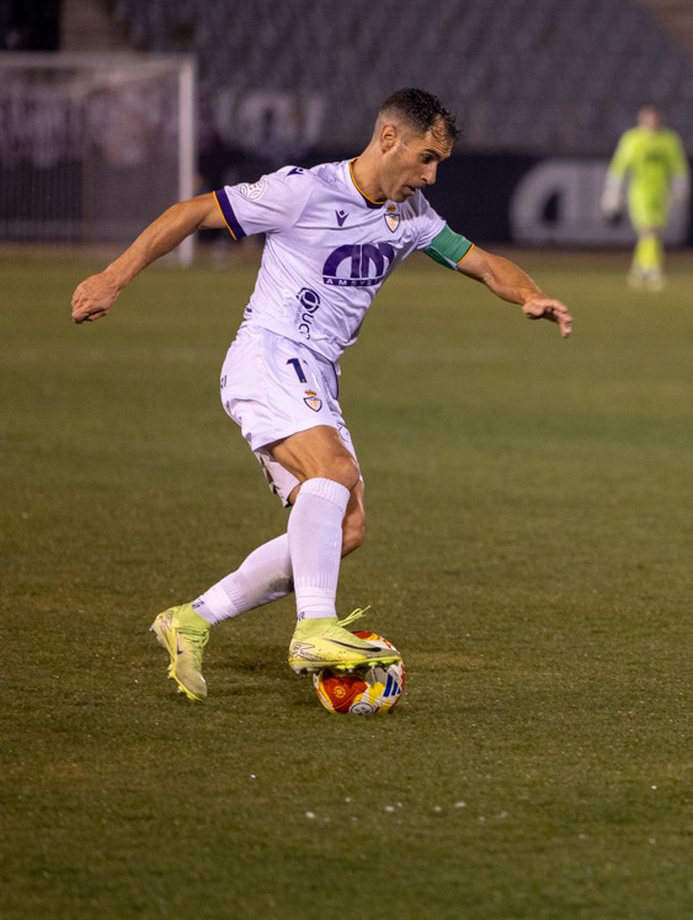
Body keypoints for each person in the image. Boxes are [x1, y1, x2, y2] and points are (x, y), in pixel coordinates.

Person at [70, 88, 573, 701]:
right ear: (388, 139)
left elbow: (485, 263)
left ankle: (192, 619)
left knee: (347, 527)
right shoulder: (305, 191)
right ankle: (313, 627)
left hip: (316, 375)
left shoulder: (411, 217)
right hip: (268, 356)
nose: (431, 175)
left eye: (439, 163)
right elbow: (193, 212)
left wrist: (530, 296)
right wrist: (112, 277)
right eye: (425, 158)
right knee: (330, 473)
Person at [601, 104, 689, 290]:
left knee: (651, 233)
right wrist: (612, 193)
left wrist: (681, 188)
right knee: (650, 230)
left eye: (655, 119)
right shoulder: (633, 139)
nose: (653, 123)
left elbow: (678, 167)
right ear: (641, 121)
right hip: (639, 193)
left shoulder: (669, 140)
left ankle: (637, 270)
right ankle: (653, 269)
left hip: (661, 193)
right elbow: (619, 168)